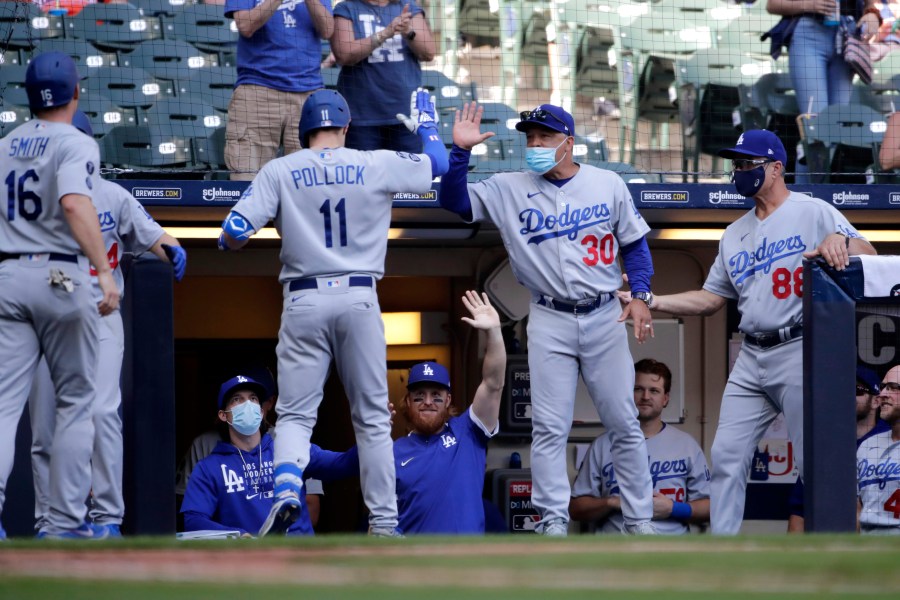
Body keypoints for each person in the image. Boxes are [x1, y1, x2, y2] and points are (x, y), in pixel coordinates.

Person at [621, 129, 877, 535]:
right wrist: (652, 301)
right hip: (751, 354)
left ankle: (835, 542)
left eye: (747, 164)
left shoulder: (813, 211)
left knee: (814, 462)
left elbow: (870, 254)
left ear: (776, 168)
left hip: (799, 346)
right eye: (736, 165)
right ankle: (725, 552)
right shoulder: (734, 233)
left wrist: (841, 238)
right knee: (726, 455)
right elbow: (710, 299)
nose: (738, 171)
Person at [218, 88, 448, 537]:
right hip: (359, 296)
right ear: (345, 128)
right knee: (372, 419)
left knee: (297, 416)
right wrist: (428, 129)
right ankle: (383, 523)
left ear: (303, 133)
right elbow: (436, 165)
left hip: (304, 299)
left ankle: (287, 488)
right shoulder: (373, 161)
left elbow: (233, 234)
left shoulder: (280, 169)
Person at [439, 102, 657, 536]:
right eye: (530, 137)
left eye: (545, 136)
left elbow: (634, 245)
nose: (535, 144)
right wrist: (459, 153)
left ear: (569, 142)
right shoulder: (508, 187)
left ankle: (639, 519)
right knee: (549, 428)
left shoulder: (606, 183)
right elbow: (454, 202)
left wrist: (642, 295)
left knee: (624, 423)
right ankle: (553, 519)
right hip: (549, 316)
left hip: (603, 314)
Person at [26, 110, 186, 538]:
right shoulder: (32, 198)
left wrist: (173, 248)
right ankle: (49, 522)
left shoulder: (114, 196)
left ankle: (107, 517)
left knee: (101, 412)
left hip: (100, 316)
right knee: (45, 425)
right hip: (48, 319)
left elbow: (156, 237)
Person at [0, 52, 119, 540]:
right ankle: (65, 524)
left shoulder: (5, 144)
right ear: (75, 93)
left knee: (4, 408)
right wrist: (106, 275)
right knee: (75, 401)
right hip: (61, 277)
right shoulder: (76, 141)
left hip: (9, 274)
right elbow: (74, 203)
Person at [180, 374, 358, 537]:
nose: (247, 405)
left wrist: (374, 434)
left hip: (298, 559)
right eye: (237, 399)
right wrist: (238, 536)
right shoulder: (208, 468)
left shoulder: (289, 449)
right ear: (223, 415)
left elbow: (343, 464)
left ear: (262, 411)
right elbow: (193, 521)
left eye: (253, 399)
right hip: (248, 561)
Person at [393, 290, 505, 534]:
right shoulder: (393, 451)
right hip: (413, 564)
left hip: (465, 563)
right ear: (408, 403)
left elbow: (493, 383)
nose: (428, 402)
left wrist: (494, 333)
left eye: (437, 396)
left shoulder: (468, 431)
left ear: (448, 400)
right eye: (419, 396)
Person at [570, 358, 711, 534]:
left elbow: (710, 508)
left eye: (654, 391)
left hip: (672, 550)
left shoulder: (687, 445)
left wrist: (673, 508)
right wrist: (613, 502)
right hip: (615, 551)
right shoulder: (602, 445)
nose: (645, 397)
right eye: (638, 389)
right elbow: (575, 509)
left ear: (665, 399)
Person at [765, 0, 882, 181]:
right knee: (815, 127)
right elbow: (772, 4)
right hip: (809, 32)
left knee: (836, 128)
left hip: (847, 35)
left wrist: (873, 14)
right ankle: (805, 197)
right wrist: (809, 5)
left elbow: (869, 4)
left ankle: (824, 194)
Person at [223, 0, 335, 181]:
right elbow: (245, 25)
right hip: (257, 90)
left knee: (308, 183)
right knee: (247, 180)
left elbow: (328, 30)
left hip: (308, 93)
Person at [787, 365, 891, 532]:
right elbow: (799, 512)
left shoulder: (891, 439)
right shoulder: (825, 445)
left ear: (876, 401)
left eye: (858, 390)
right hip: (827, 542)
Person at [331, 0, 436, 152]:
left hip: (407, 117)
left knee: (408, 174)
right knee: (367, 175)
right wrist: (385, 34)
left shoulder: (408, 7)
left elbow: (428, 52)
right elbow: (344, 54)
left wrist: (408, 32)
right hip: (361, 117)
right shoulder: (346, 8)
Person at [857, 363, 900, 534]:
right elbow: (858, 508)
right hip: (868, 548)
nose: (882, 394)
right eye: (883, 388)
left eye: (893, 388)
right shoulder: (867, 445)